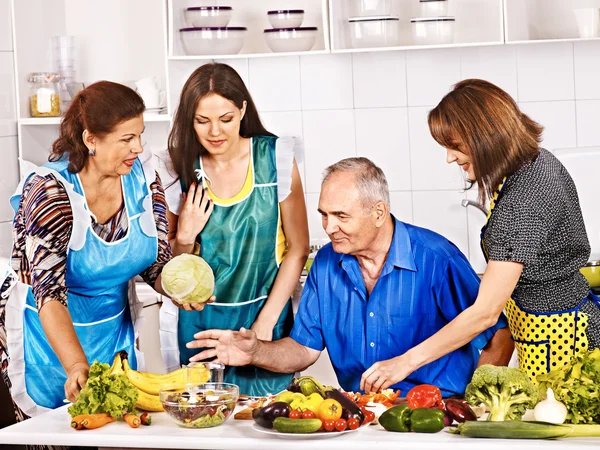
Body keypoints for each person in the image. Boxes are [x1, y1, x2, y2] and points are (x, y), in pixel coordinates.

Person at [186, 157, 513, 396]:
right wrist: (256, 352)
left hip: (437, 413)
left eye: (341, 216)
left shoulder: (436, 258)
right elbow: (303, 350)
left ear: (378, 213)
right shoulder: (326, 263)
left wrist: (477, 404)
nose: (328, 228)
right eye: (324, 215)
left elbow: (499, 333)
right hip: (363, 414)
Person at [0, 81, 173, 423]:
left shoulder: (143, 178)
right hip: (45, 338)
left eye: (140, 135)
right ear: (90, 139)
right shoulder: (50, 192)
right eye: (126, 139)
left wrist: (177, 289)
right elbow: (49, 293)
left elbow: (156, 261)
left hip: (111, 333)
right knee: (54, 434)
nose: (138, 147)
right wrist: (76, 364)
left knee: (109, 429)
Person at [425, 79, 599, 381]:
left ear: (485, 136)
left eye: (455, 146)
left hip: (566, 348)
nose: (450, 157)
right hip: (551, 334)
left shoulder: (523, 200)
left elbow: (485, 313)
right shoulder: (533, 161)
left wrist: (402, 363)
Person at [157, 63, 309, 396]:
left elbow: (298, 248)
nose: (215, 132)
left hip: (263, 318)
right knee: (203, 425)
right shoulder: (174, 169)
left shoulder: (277, 160)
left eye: (225, 119)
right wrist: (184, 236)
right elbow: (169, 270)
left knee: (269, 423)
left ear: (242, 110)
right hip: (197, 330)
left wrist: (264, 327)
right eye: (202, 121)